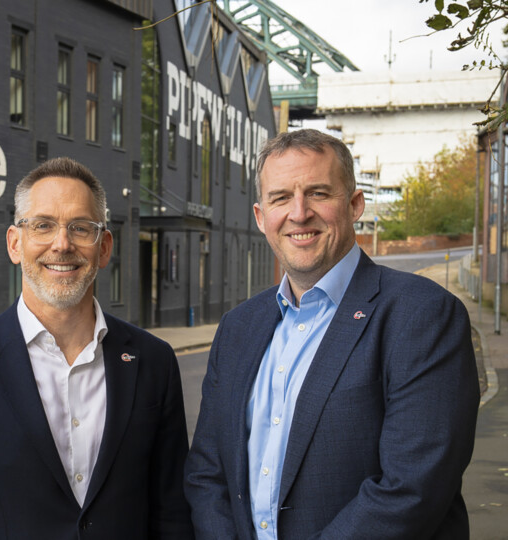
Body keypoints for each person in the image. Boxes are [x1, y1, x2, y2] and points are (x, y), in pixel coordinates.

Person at [184, 129, 480, 539]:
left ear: (355, 204)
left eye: (319, 193)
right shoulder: (239, 327)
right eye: (281, 197)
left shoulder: (421, 315)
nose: (299, 212)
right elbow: (207, 474)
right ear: (260, 216)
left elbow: (412, 489)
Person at [0, 157, 192, 539]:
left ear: (104, 247)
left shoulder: (154, 362)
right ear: (14, 243)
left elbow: (171, 515)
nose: (62, 244)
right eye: (42, 225)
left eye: (80, 228)